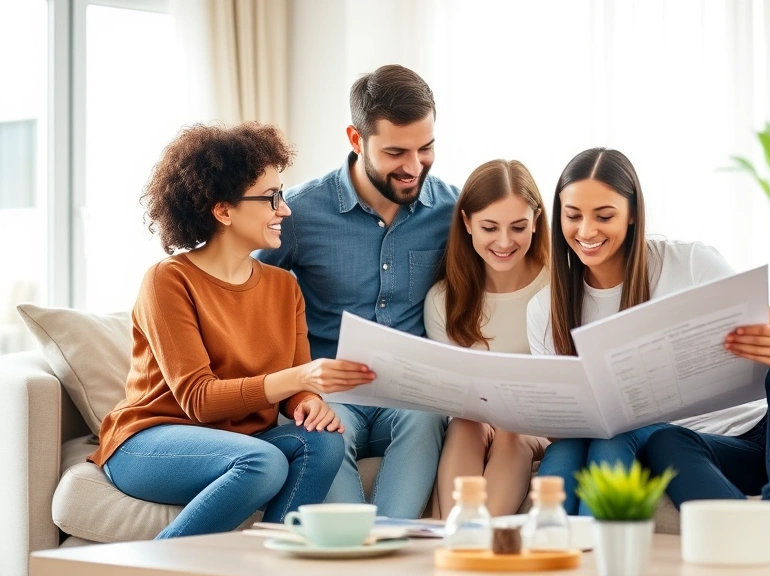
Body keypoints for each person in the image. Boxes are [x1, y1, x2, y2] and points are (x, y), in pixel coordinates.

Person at [527, 148, 770, 544]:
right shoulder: (546, 309)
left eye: (604, 216)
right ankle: (746, 538)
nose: (586, 231)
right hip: (732, 453)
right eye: (573, 216)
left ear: (633, 212)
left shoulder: (689, 263)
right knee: (664, 442)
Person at [90, 122, 350, 539]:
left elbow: (296, 388)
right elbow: (199, 400)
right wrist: (299, 379)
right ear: (223, 210)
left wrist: (307, 400)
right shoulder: (168, 280)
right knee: (262, 464)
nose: (285, 209)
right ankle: (150, 569)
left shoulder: (285, 288)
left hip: (245, 440)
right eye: (271, 198)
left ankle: (268, 567)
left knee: (323, 443)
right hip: (148, 442)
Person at [255, 65, 457, 518]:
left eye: (425, 148)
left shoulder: (451, 211)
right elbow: (249, 300)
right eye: (395, 152)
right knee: (323, 435)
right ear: (355, 138)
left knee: (425, 419)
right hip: (330, 399)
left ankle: (390, 548)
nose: (413, 166)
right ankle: (352, 552)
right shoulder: (300, 215)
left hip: (409, 399)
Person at [425, 159, 551, 517]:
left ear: (536, 222)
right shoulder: (443, 299)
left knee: (511, 432)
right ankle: (458, 540)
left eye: (518, 227)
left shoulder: (558, 286)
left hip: (539, 425)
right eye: (490, 227)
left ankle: (477, 543)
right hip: (475, 419)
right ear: (466, 222)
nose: (504, 241)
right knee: (466, 424)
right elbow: (452, 394)